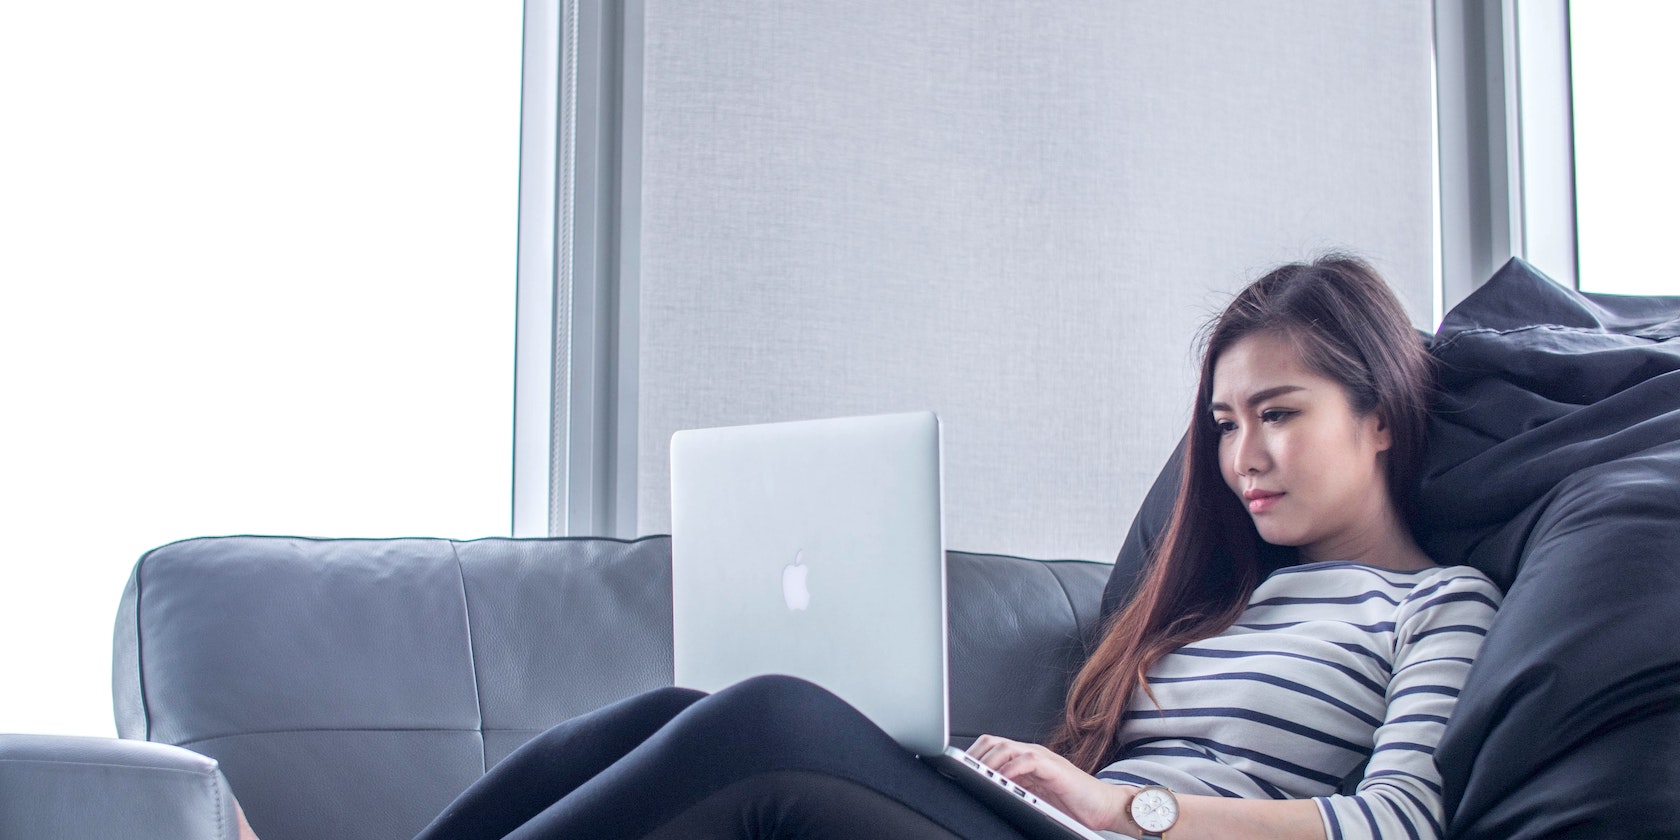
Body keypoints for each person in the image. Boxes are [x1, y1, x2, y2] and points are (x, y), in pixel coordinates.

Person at [251, 255, 1501, 839]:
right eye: (1225, 425)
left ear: (1380, 415)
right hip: (1053, 832)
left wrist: (1127, 807)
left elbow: (1398, 825)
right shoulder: (1219, 601)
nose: (1241, 458)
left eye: (1279, 416)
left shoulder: (1438, 606)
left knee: (776, 727)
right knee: (689, 705)